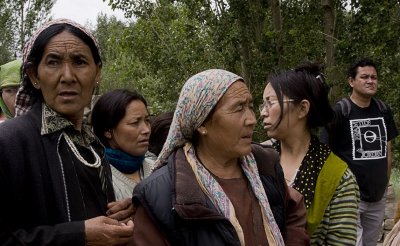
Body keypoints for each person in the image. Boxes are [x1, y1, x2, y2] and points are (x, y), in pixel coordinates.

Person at [131, 69, 310, 245]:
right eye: (238, 108)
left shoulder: (264, 164)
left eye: (249, 106)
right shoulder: (161, 193)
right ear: (202, 123)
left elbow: (293, 210)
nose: (252, 120)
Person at [0, 19, 134, 245]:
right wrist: (79, 235)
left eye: (80, 62)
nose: (68, 76)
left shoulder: (92, 145)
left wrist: (119, 215)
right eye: (53, 62)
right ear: (34, 76)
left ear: (97, 73)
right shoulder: (10, 143)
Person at [260, 62, 360, 245]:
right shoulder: (257, 159)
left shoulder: (338, 177)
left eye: (270, 102)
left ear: (302, 109)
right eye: (263, 104)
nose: (262, 113)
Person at [321, 58, 399, 246]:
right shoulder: (340, 112)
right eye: (364, 77)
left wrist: (385, 182)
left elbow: (388, 149)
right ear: (351, 81)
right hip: (349, 198)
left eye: (374, 77)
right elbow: (325, 153)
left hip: (377, 197)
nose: (370, 81)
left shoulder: (383, 110)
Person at [91, 89, 157, 200]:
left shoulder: (156, 168)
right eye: (135, 123)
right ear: (108, 130)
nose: (146, 130)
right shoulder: (96, 177)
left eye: (147, 120)